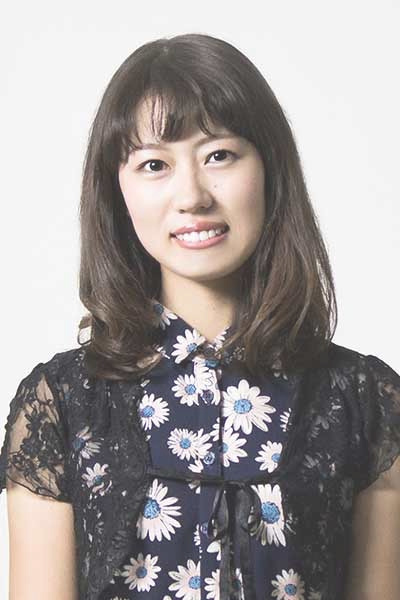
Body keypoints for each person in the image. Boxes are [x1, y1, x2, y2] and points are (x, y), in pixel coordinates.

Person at [0, 32, 399, 600]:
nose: (191, 196)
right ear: (118, 191)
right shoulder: (59, 405)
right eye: (154, 164)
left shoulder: (365, 402)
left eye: (219, 155)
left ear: (270, 168)